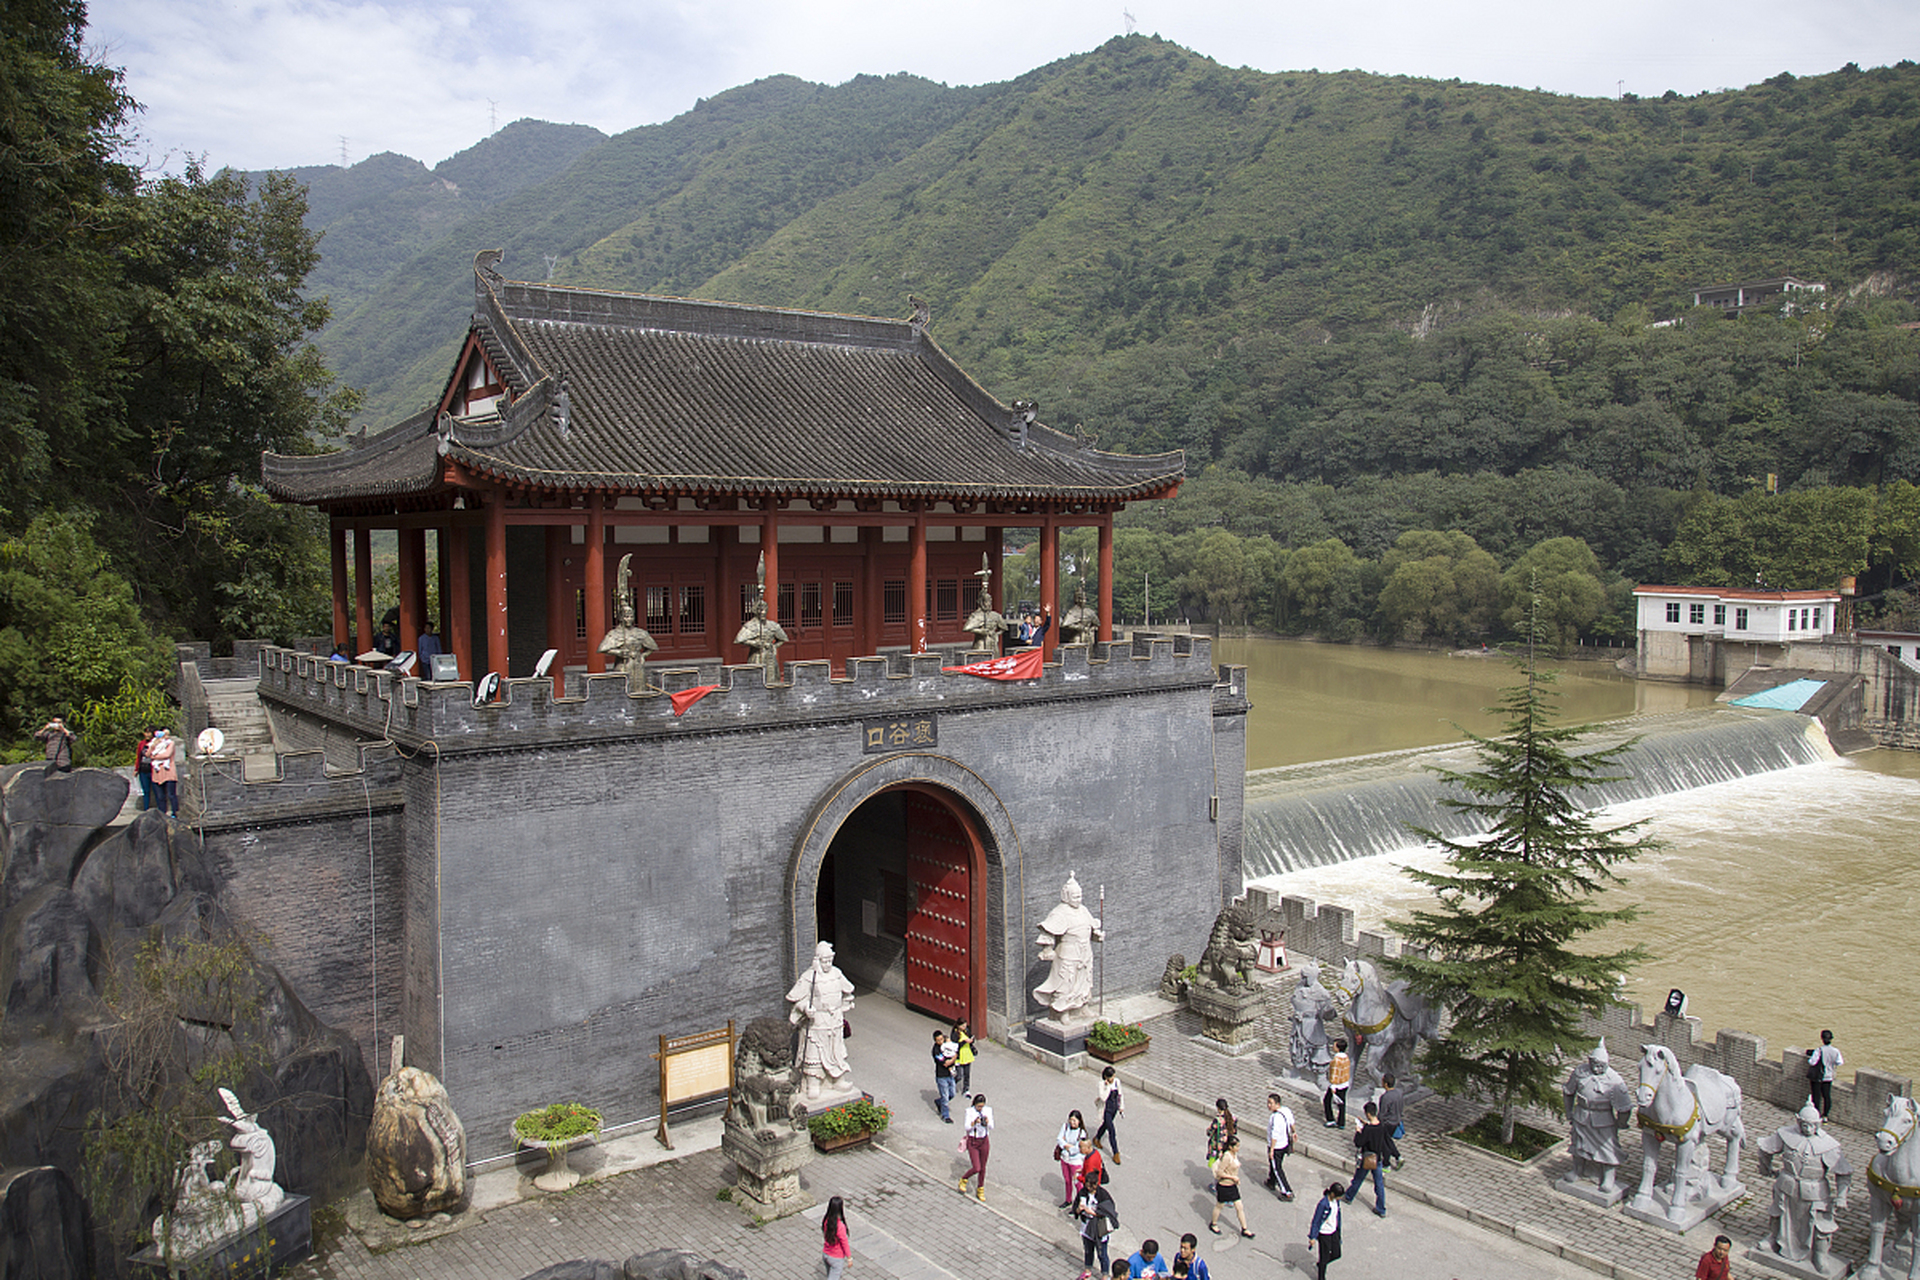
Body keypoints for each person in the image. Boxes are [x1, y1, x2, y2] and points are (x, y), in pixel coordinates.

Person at [1756, 1102, 1852, 1271]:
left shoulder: (1828, 1145)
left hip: (1815, 1190)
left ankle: (1820, 1255)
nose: (1808, 1128)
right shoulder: (1785, 1134)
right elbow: (1765, 1147)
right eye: (1805, 1125)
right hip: (1787, 1184)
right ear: (1798, 1122)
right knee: (1778, 1213)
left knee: (1820, 1223)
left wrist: (1842, 1196)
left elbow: (1843, 1172)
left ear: (1818, 1124)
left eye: (1812, 1125)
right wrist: (1766, 1168)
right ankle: (1774, 1239)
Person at [785, 941, 855, 1099]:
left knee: (836, 1051)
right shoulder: (810, 977)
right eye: (825, 961)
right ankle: (813, 1084)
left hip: (834, 1020)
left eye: (830, 960)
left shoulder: (837, 973)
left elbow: (848, 990)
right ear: (817, 960)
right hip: (817, 1021)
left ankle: (837, 1080)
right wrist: (805, 1008)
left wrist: (843, 1004)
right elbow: (796, 999)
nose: (828, 964)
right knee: (814, 1053)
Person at [1562, 1041, 1633, 1194]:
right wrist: (1569, 1112)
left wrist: (1621, 1122)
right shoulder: (1580, 1072)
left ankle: (1608, 1178)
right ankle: (1577, 1171)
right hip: (1582, 1114)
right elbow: (1568, 1092)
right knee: (1578, 1143)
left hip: (1603, 1119)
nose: (1596, 1068)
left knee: (1608, 1148)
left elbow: (1625, 1107)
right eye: (1594, 1064)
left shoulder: (1615, 1080)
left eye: (1600, 1065)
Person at [1034, 873, 1104, 1016]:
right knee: (1065, 983)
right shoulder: (1060, 913)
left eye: (1080, 896)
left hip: (1085, 953)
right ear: (1066, 896)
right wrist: (1047, 949)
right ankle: (1062, 1013)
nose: (1078, 900)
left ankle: (1083, 1008)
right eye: (1075, 897)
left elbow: (1090, 929)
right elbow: (1047, 932)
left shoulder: (1083, 910)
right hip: (1068, 954)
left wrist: (1097, 935)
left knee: (1085, 982)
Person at [1343, 1101, 1400, 1217]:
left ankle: (1349, 1196)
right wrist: (1365, 1124)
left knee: (1358, 1179)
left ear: (1368, 1114)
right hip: (1377, 1159)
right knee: (1379, 1184)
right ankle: (1381, 1208)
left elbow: (1358, 1143)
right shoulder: (1381, 1126)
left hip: (1367, 1159)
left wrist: (1358, 1131)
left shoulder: (1368, 1130)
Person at [1075, 1166, 1118, 1280]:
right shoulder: (1083, 1192)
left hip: (1099, 1228)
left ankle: (1105, 1275)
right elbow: (1076, 1209)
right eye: (1088, 1185)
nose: (1089, 1188)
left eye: (1092, 1185)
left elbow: (1108, 1211)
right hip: (1087, 1227)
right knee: (1088, 1250)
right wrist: (1079, 1209)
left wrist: (1092, 1212)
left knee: (1102, 1254)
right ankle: (1087, 1269)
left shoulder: (1103, 1195)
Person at [1206, 1135, 1253, 1237]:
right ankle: (1213, 1223)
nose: (1238, 1148)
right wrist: (1233, 1178)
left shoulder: (1234, 1155)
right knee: (1219, 1206)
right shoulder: (1227, 1156)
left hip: (1232, 1186)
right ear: (1231, 1147)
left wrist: (1235, 1179)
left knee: (1239, 1206)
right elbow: (1220, 1172)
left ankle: (1244, 1228)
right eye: (1237, 1146)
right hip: (1224, 1186)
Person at [957, 1093, 993, 1201]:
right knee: (976, 1167)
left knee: (983, 1167)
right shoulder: (970, 1111)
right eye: (978, 1107)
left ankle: (980, 1189)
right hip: (973, 1141)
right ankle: (964, 1179)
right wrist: (974, 1122)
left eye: (982, 1106)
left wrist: (987, 1122)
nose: (980, 1109)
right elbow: (967, 1127)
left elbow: (992, 1126)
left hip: (984, 1140)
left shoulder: (988, 1111)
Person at [1307, 1182, 1344, 1280]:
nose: (1340, 1198)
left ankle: (1321, 1265)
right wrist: (1313, 1236)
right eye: (1339, 1196)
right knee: (1324, 1257)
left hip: (1334, 1231)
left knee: (1337, 1254)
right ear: (1332, 1194)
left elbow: (1337, 1216)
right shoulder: (1323, 1204)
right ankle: (1321, 1275)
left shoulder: (1336, 1202)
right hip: (1324, 1234)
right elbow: (1316, 1220)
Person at [1264, 1092, 1296, 1200]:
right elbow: (1292, 1122)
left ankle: (1287, 1191)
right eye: (1268, 1102)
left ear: (1277, 1104)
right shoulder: (1286, 1110)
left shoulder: (1275, 1117)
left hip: (1277, 1146)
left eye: (1270, 1103)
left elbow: (1274, 1134)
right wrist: (1294, 1132)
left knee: (1277, 1168)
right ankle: (1271, 1181)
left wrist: (1271, 1149)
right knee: (1275, 1165)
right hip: (1284, 1144)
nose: (1268, 1105)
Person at [1056, 1109, 1090, 1207]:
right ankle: (1068, 1199)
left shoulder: (1081, 1133)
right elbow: (1059, 1139)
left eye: (1074, 1121)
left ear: (1079, 1121)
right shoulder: (1065, 1127)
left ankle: (1080, 1202)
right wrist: (1068, 1146)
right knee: (1067, 1180)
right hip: (1065, 1158)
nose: (1072, 1123)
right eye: (1071, 1120)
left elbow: (1078, 1148)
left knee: (1078, 1183)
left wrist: (1066, 1145)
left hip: (1075, 1161)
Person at [1807, 1030, 1842, 1118]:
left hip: (1819, 1077)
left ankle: (1816, 1114)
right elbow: (1840, 1062)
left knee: (1816, 1096)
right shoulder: (1836, 1051)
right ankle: (1825, 1115)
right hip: (1829, 1076)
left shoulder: (1819, 1050)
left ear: (1822, 1039)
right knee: (1826, 1096)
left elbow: (1812, 1062)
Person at [1094, 1065, 1124, 1164]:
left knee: (1106, 1125)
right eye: (1111, 1077)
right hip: (1106, 1109)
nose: (1113, 1079)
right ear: (1106, 1077)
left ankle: (1097, 1138)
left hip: (1114, 1108)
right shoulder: (1102, 1084)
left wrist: (1121, 1106)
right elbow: (1103, 1098)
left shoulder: (1117, 1082)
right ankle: (1116, 1152)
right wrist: (1107, 1087)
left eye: (1113, 1076)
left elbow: (1120, 1095)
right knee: (1111, 1130)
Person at [148, 727, 180, 818]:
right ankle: (162, 813)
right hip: (157, 772)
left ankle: (174, 813)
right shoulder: (155, 742)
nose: (166, 736)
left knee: (171, 794)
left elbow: (167, 754)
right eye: (165, 734)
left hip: (168, 771)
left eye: (168, 734)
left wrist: (154, 757)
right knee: (160, 796)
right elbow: (147, 754)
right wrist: (153, 745)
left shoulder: (170, 743)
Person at [821, 1194, 850, 1280]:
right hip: (836, 1258)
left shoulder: (826, 1221)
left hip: (826, 1254)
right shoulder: (840, 1226)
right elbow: (844, 1242)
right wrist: (849, 1257)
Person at [1323, 1038, 1351, 1127]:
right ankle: (1341, 1122)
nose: (1333, 1047)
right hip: (1345, 1083)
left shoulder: (1336, 1060)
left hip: (1336, 1085)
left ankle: (1330, 1119)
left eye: (1334, 1045)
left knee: (1327, 1100)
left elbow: (1334, 1074)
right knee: (1342, 1104)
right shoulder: (1346, 1057)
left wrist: (1332, 1086)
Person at [932, 1030, 957, 1122]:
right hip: (941, 1076)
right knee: (945, 1096)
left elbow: (955, 1050)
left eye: (942, 1039)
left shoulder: (947, 1044)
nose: (941, 1041)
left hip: (949, 1074)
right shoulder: (936, 1051)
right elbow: (945, 1063)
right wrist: (953, 1058)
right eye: (938, 1040)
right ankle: (945, 1115)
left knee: (952, 1093)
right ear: (935, 1041)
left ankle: (939, 1102)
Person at [1205, 1098, 1237, 1170]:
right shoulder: (1233, 1118)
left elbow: (1210, 1132)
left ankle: (1217, 1180)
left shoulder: (1218, 1120)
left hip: (1218, 1146)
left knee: (1217, 1166)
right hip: (1229, 1145)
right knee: (1226, 1165)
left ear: (1218, 1108)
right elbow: (1235, 1131)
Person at [951, 1019, 975, 1094]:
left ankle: (966, 1089)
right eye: (962, 1026)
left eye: (965, 1025)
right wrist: (964, 1042)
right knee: (959, 1075)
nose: (964, 1027)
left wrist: (971, 1040)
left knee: (967, 1074)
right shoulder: (955, 1033)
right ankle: (952, 1084)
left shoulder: (966, 1030)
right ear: (958, 1025)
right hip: (959, 1056)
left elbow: (971, 1038)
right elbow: (955, 1046)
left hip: (967, 1054)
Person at [135, 727, 156, 811]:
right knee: (146, 791)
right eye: (146, 733)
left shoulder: (155, 743)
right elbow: (138, 757)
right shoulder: (141, 744)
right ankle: (146, 809)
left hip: (153, 769)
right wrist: (136, 769)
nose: (147, 735)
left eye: (149, 733)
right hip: (143, 770)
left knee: (156, 791)